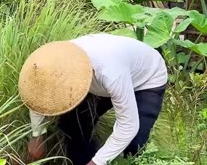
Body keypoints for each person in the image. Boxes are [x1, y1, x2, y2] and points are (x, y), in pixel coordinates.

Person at [18, 33, 168, 165]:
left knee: (134, 144)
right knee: (72, 125)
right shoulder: (56, 61)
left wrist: (97, 163)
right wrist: (37, 136)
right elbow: (39, 93)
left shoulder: (110, 73)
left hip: (146, 79)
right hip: (103, 79)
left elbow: (128, 126)